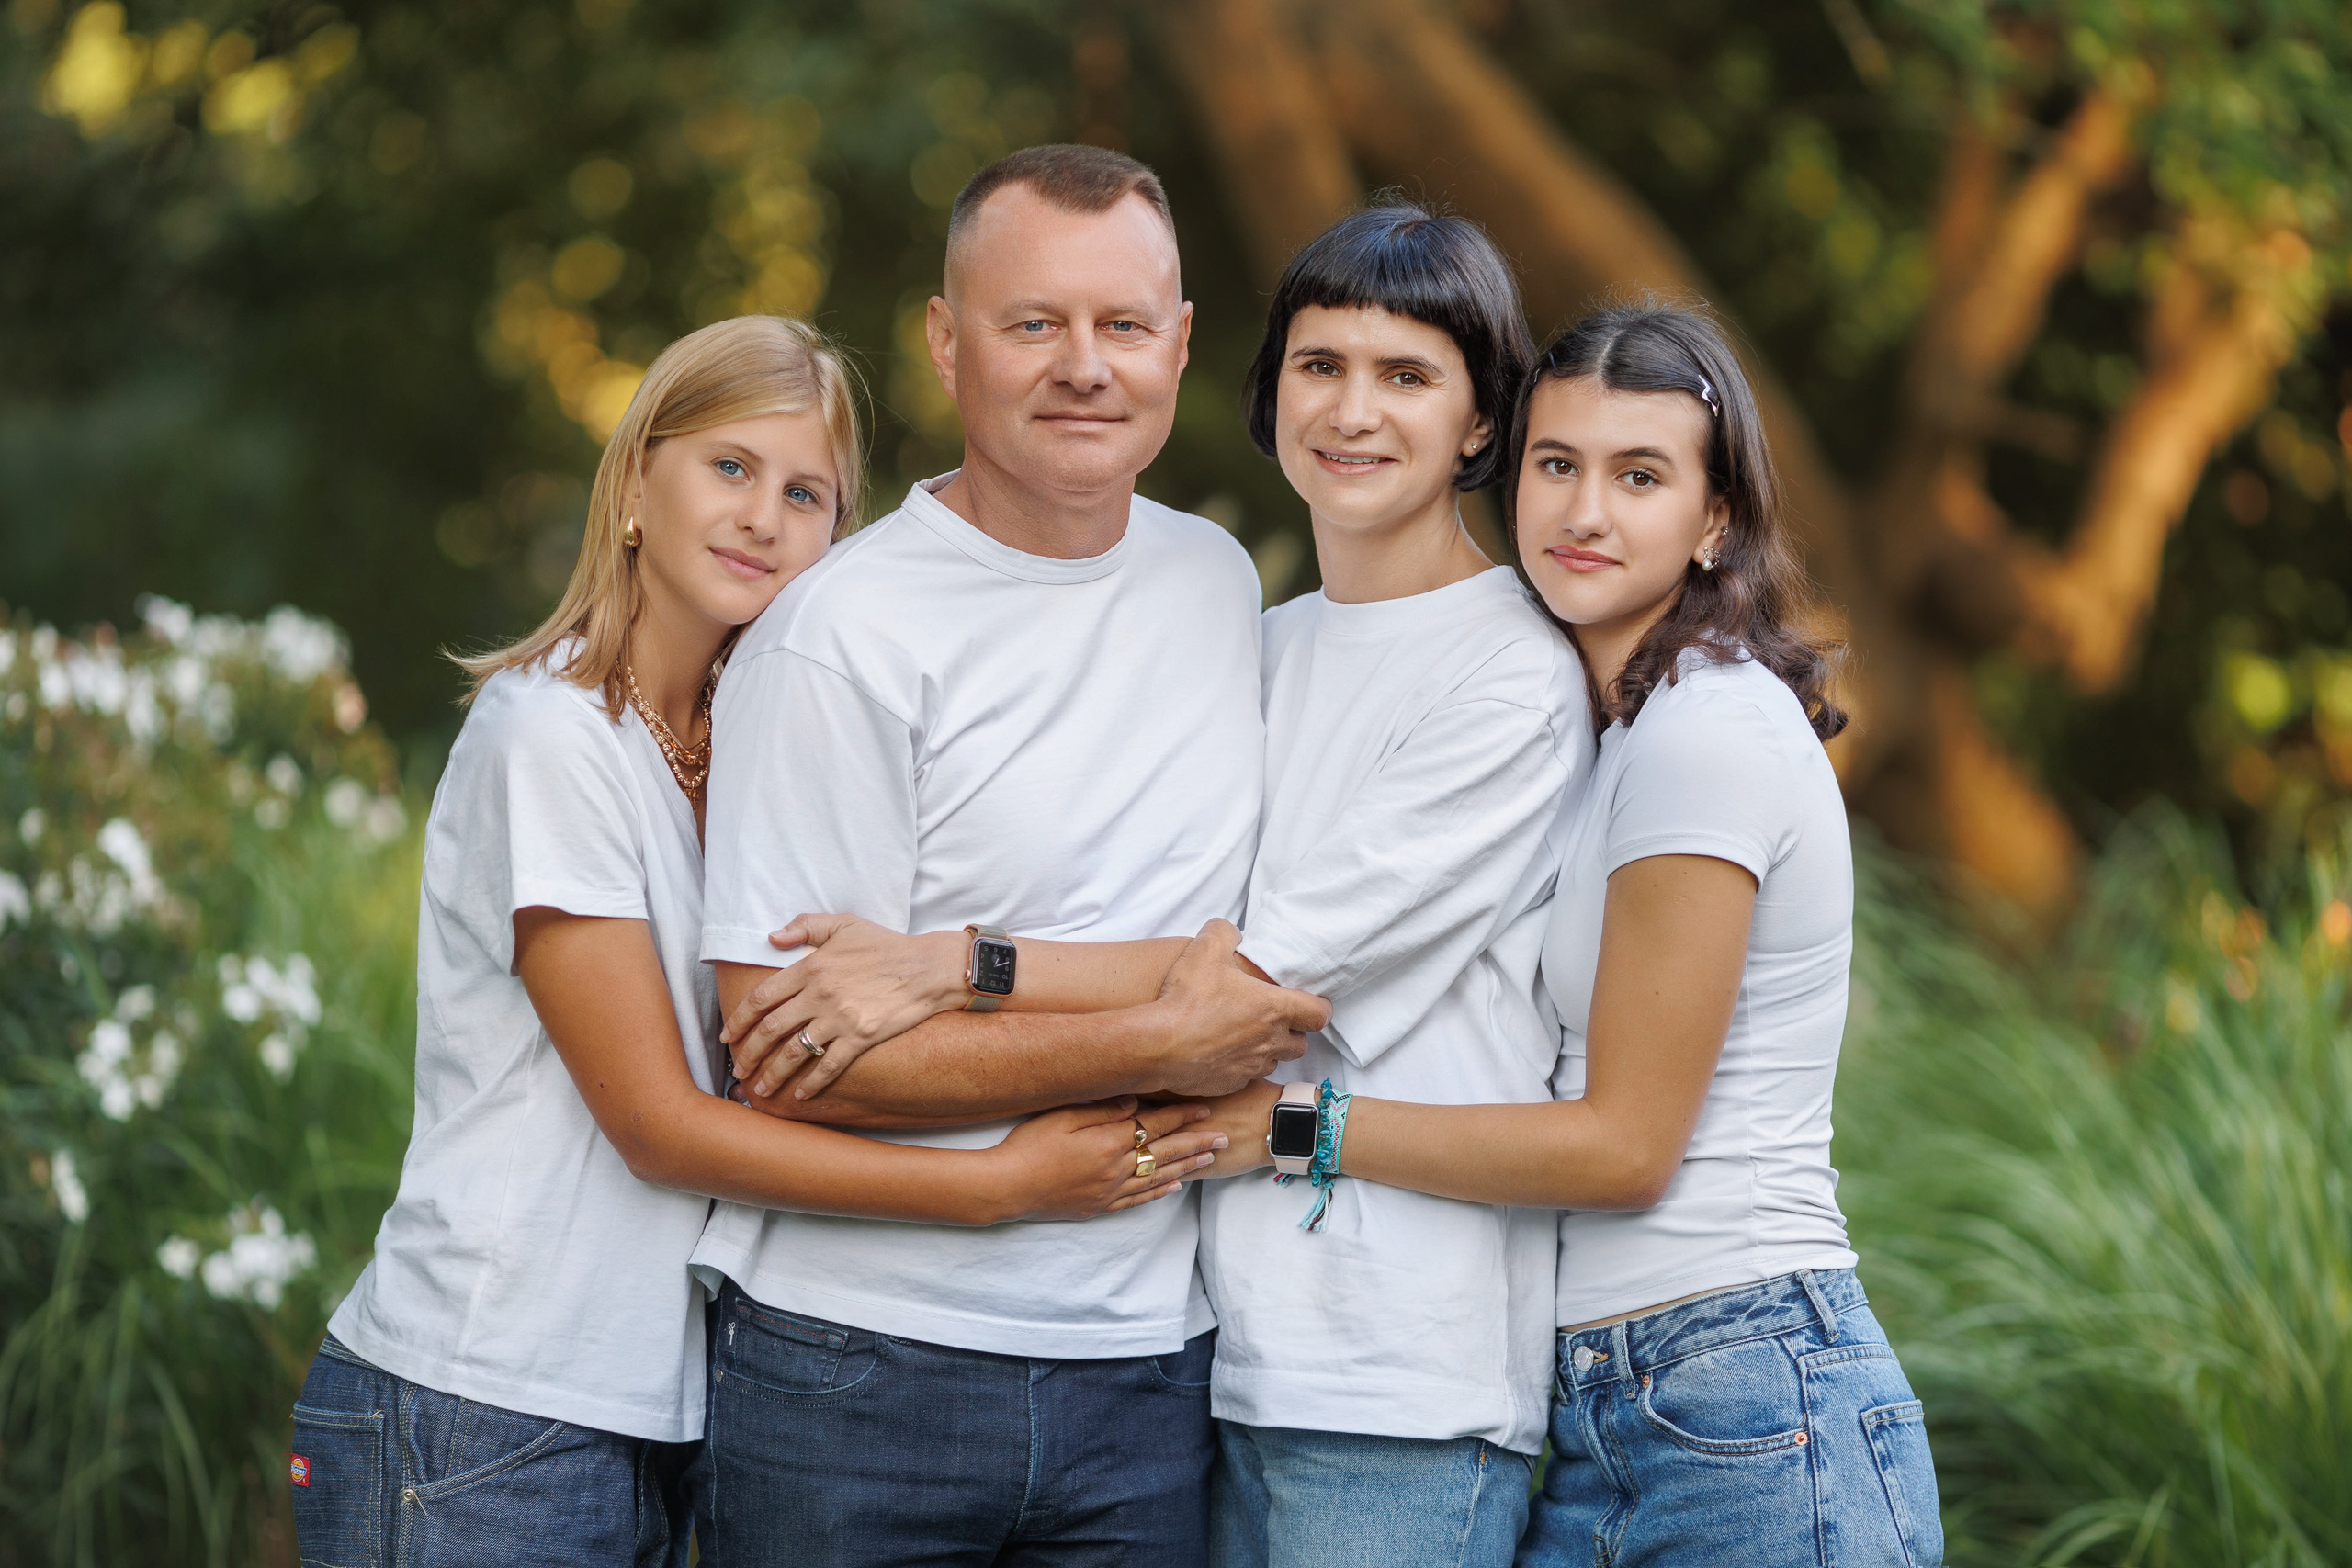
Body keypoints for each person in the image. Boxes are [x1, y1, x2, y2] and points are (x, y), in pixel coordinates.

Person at [724, 203, 1593, 1567]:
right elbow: (1168, 938)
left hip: (1392, 1376)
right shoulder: (1256, 619)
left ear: (1485, 422)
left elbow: (1252, 983)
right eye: (1322, 367)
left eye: (1410, 376)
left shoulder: (1508, 674)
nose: (1355, 410)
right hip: (1209, 1352)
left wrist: (961, 961)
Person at [288, 316, 1232, 1568]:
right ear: (636, 481)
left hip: (655, 1407)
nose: (764, 518)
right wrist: (998, 1185)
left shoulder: (747, 750)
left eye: (807, 495)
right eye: (728, 467)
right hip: (482, 1400)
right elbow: (661, 1124)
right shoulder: (551, 738)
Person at [1188, 301, 1945, 1568]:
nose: (1585, 511)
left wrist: (1284, 1126)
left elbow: (1626, 1147)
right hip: (1627, 1400)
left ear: (1714, 521)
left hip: (1747, 1392)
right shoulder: (1618, 732)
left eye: (1639, 476)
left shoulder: (1706, 734)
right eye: (1558, 465)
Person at [688, 148, 1329, 1566]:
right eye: (1033, 324)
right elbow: (785, 1065)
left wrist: (966, 976)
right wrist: (1161, 1040)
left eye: (1122, 326)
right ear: (944, 340)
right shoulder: (840, 637)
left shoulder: (1217, 584)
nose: (1084, 367)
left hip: (1148, 1380)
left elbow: (1230, 956)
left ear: (1179, 341)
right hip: (857, 1373)